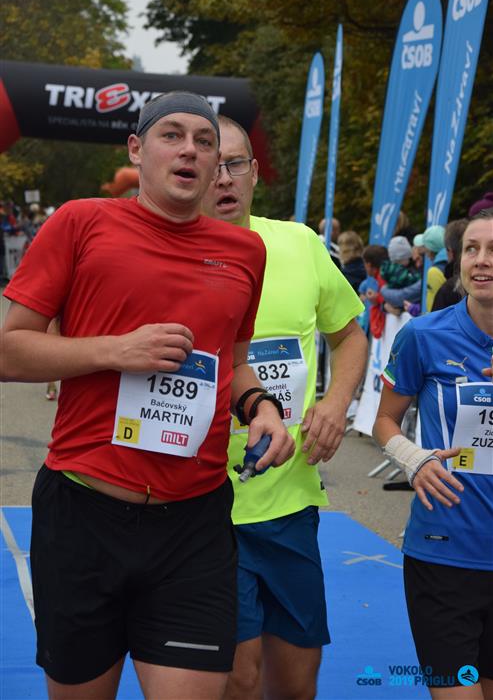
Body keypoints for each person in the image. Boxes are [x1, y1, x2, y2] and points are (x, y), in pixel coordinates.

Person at [0, 92, 295, 700]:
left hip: (194, 522)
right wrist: (116, 350)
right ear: (136, 150)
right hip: (85, 513)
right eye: (172, 135)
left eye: (204, 141)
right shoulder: (81, 222)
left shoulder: (245, 251)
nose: (190, 150)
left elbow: (235, 362)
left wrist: (260, 407)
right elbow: (9, 351)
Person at [202, 115, 368, 700]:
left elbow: (350, 336)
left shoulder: (298, 243)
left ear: (254, 173)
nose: (224, 178)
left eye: (235, 164)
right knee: (239, 676)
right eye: (212, 165)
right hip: (205, 507)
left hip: (291, 503)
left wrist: (337, 403)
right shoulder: (166, 254)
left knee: (297, 684)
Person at [373, 207, 493, 697]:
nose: (482, 260)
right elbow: (384, 421)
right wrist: (414, 459)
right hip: (445, 555)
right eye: (472, 249)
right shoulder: (422, 335)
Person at [413, 225, 448, 311]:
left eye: (426, 250)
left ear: (431, 248)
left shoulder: (434, 271)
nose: (427, 256)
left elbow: (437, 304)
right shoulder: (452, 263)